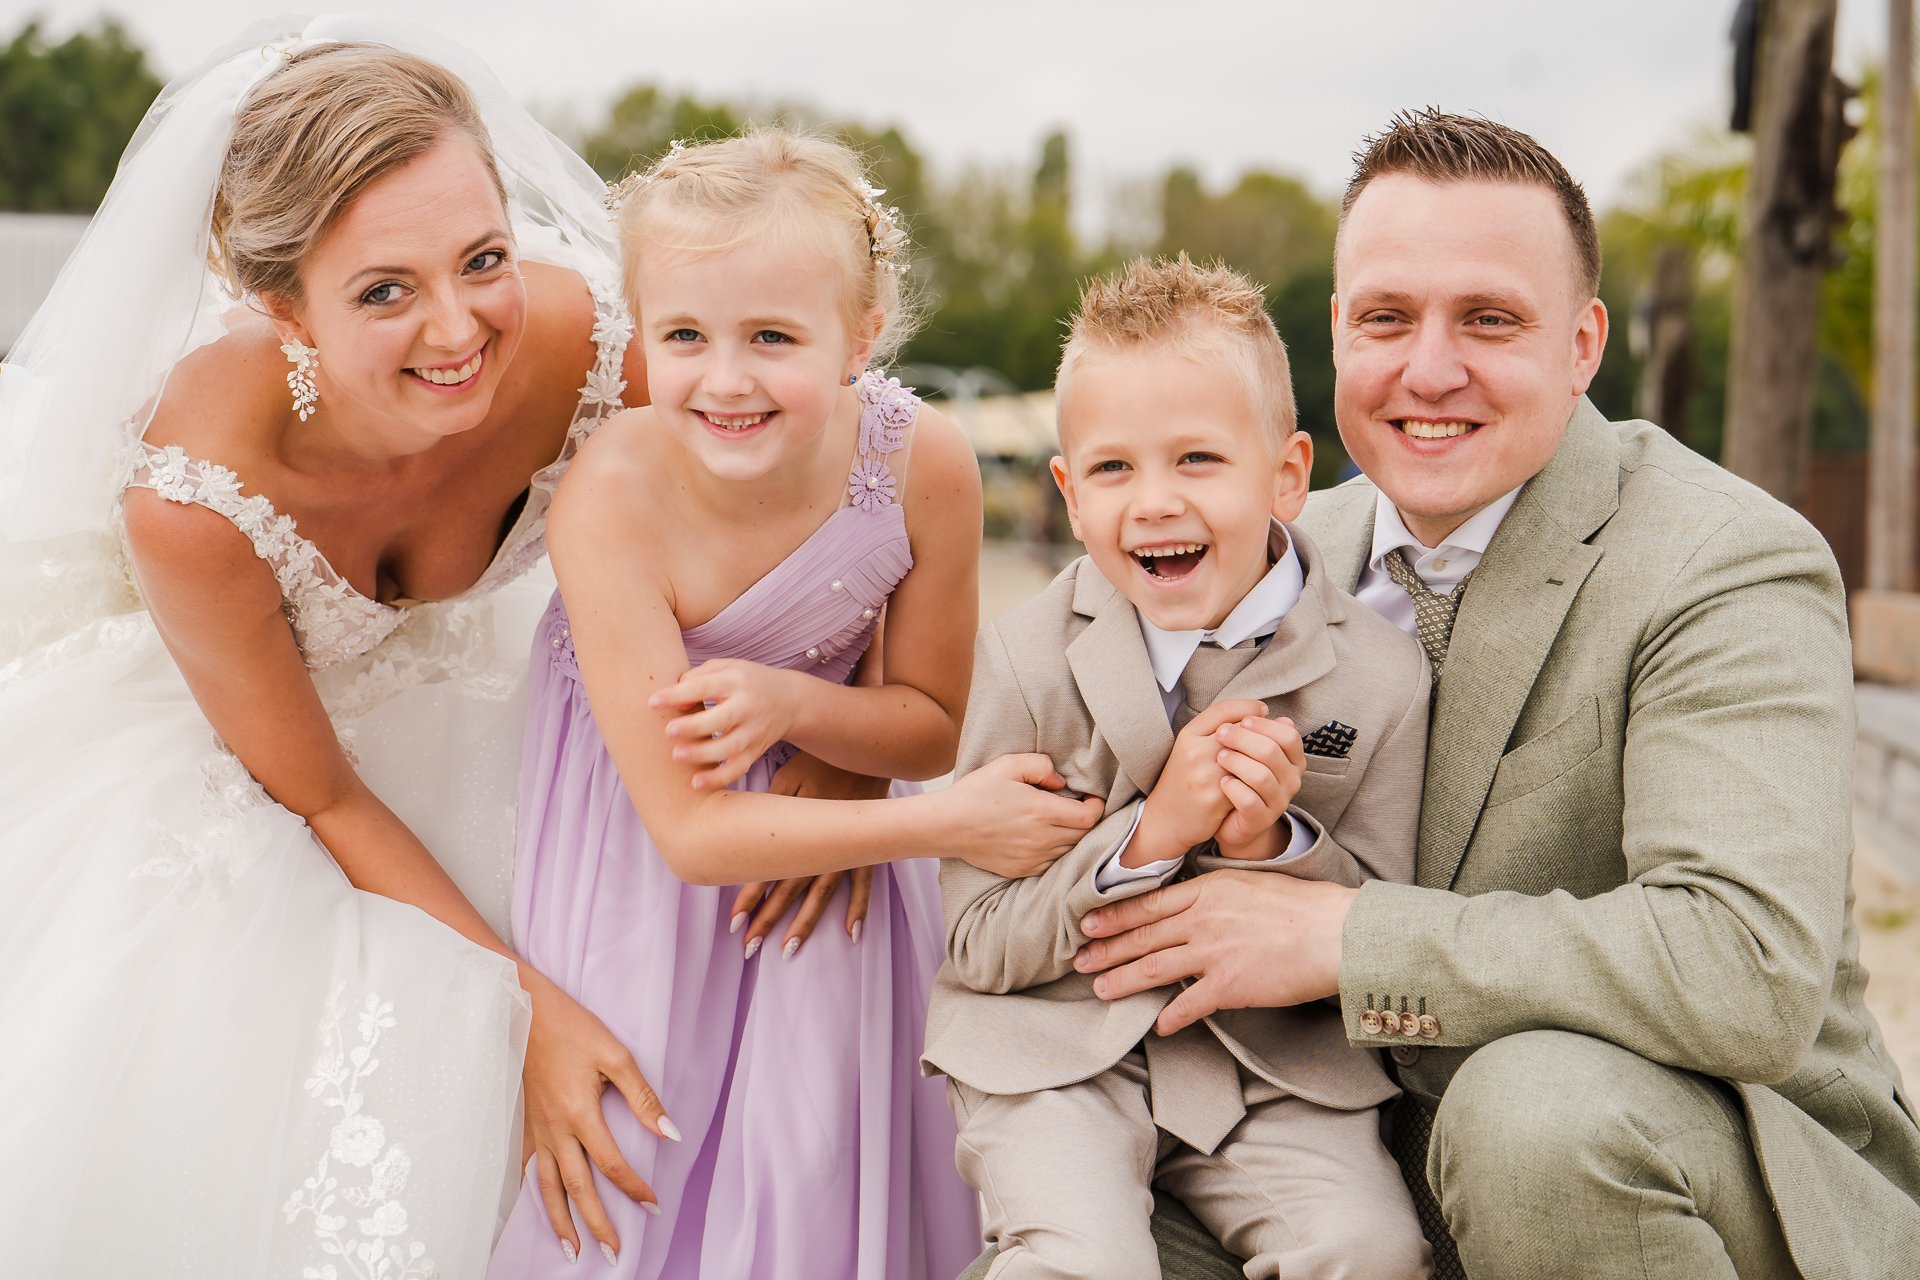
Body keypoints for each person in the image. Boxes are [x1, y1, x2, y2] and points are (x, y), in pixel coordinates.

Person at [1061, 111, 1920, 1279]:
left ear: (1582, 344)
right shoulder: (1252, 552)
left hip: (1675, 1170)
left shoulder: (1725, 560)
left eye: (1489, 319)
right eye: (1386, 318)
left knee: (1533, 1119)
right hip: (1342, 1181)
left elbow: (1746, 966)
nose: (1429, 369)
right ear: (1336, 331)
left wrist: (1348, 939)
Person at [0, 18, 745, 1276]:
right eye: (385, 291)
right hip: (268, 750)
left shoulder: (601, 347)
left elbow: (785, 520)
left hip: (515, 688)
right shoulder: (193, 502)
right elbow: (324, 793)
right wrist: (524, 1010)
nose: (458, 330)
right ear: (280, 307)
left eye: (484, 258)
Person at [485, 130, 1099, 1278]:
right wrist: (958, 822)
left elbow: (929, 719)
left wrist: (795, 707)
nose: (726, 379)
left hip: (841, 850)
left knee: (814, 1142)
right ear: (640, 329)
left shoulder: (924, 463)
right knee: (636, 1149)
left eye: (772, 336)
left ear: (861, 335)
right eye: (684, 336)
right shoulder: (610, 497)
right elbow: (689, 829)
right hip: (642, 855)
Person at [923, 255, 1432, 1280]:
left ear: (1287, 474)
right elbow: (977, 943)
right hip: (1055, 1052)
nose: (1154, 503)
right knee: (1080, 1262)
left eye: (1197, 459)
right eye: (1113, 468)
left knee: (1371, 1250)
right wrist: (1149, 835)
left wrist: (1270, 842)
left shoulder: (1383, 673)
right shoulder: (1020, 659)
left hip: (1275, 1073)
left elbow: (1379, 920)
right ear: (1069, 494)